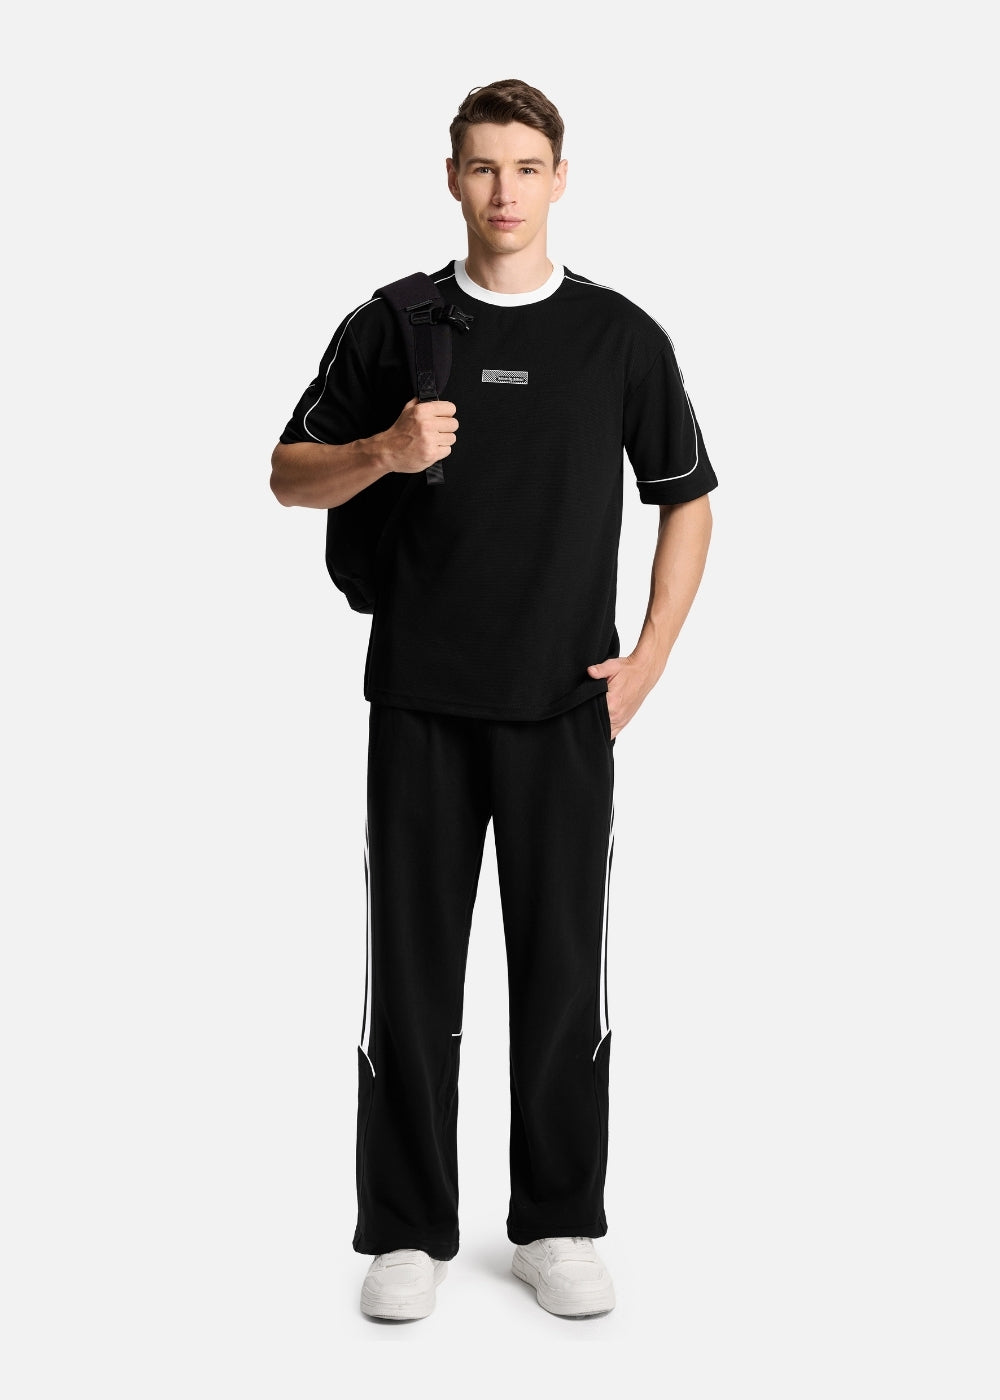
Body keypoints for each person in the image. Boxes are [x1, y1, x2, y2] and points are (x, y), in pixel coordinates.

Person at [270, 77, 718, 1321]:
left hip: (565, 706)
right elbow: (288, 474)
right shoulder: (391, 326)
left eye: (526, 166)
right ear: (452, 178)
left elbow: (686, 496)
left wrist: (650, 658)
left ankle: (557, 1221)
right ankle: (405, 1230)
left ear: (559, 178)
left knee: (562, 975)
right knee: (410, 976)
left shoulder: (619, 336)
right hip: (419, 699)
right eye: (482, 166)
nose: (504, 190)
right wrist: (384, 451)